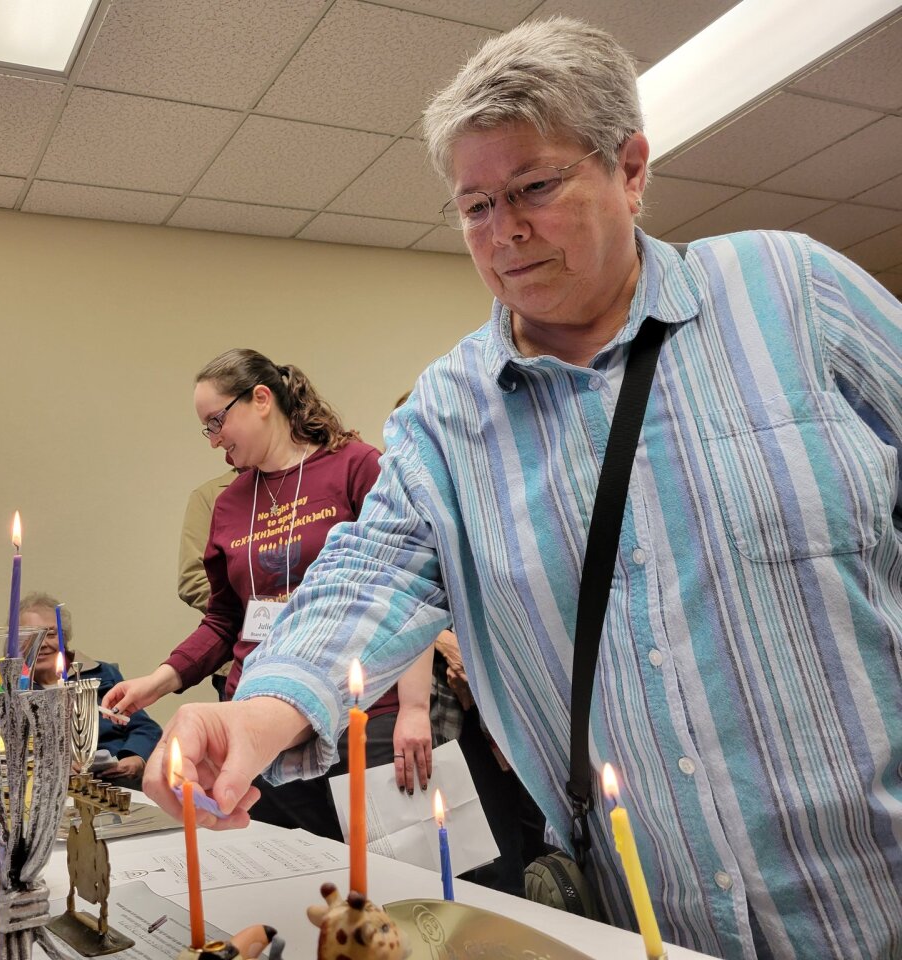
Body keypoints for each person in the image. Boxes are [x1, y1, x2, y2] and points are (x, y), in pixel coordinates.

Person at [141, 19, 902, 960]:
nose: (504, 232)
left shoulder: (796, 294)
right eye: (474, 206)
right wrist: (256, 717)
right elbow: (363, 581)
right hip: (651, 926)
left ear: (629, 168)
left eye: (535, 187)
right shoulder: (446, 418)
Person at [106, 349, 435, 840]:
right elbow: (224, 619)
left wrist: (414, 709)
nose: (214, 440)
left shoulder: (356, 467)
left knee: (383, 877)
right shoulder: (229, 503)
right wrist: (159, 681)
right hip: (259, 714)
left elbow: (408, 584)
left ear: (261, 399)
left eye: (217, 422)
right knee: (285, 876)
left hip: (362, 711)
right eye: (206, 429)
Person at [18, 592, 161, 790]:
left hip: (117, 782)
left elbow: (145, 727)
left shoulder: (102, 673)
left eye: (50, 633)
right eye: (30, 635)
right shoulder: (14, 690)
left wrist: (135, 756)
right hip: (52, 790)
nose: (41, 643)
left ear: (64, 637)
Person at [178, 456, 243, 699]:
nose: (215, 442)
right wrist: (255, 612)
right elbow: (192, 578)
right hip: (238, 662)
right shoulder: (209, 496)